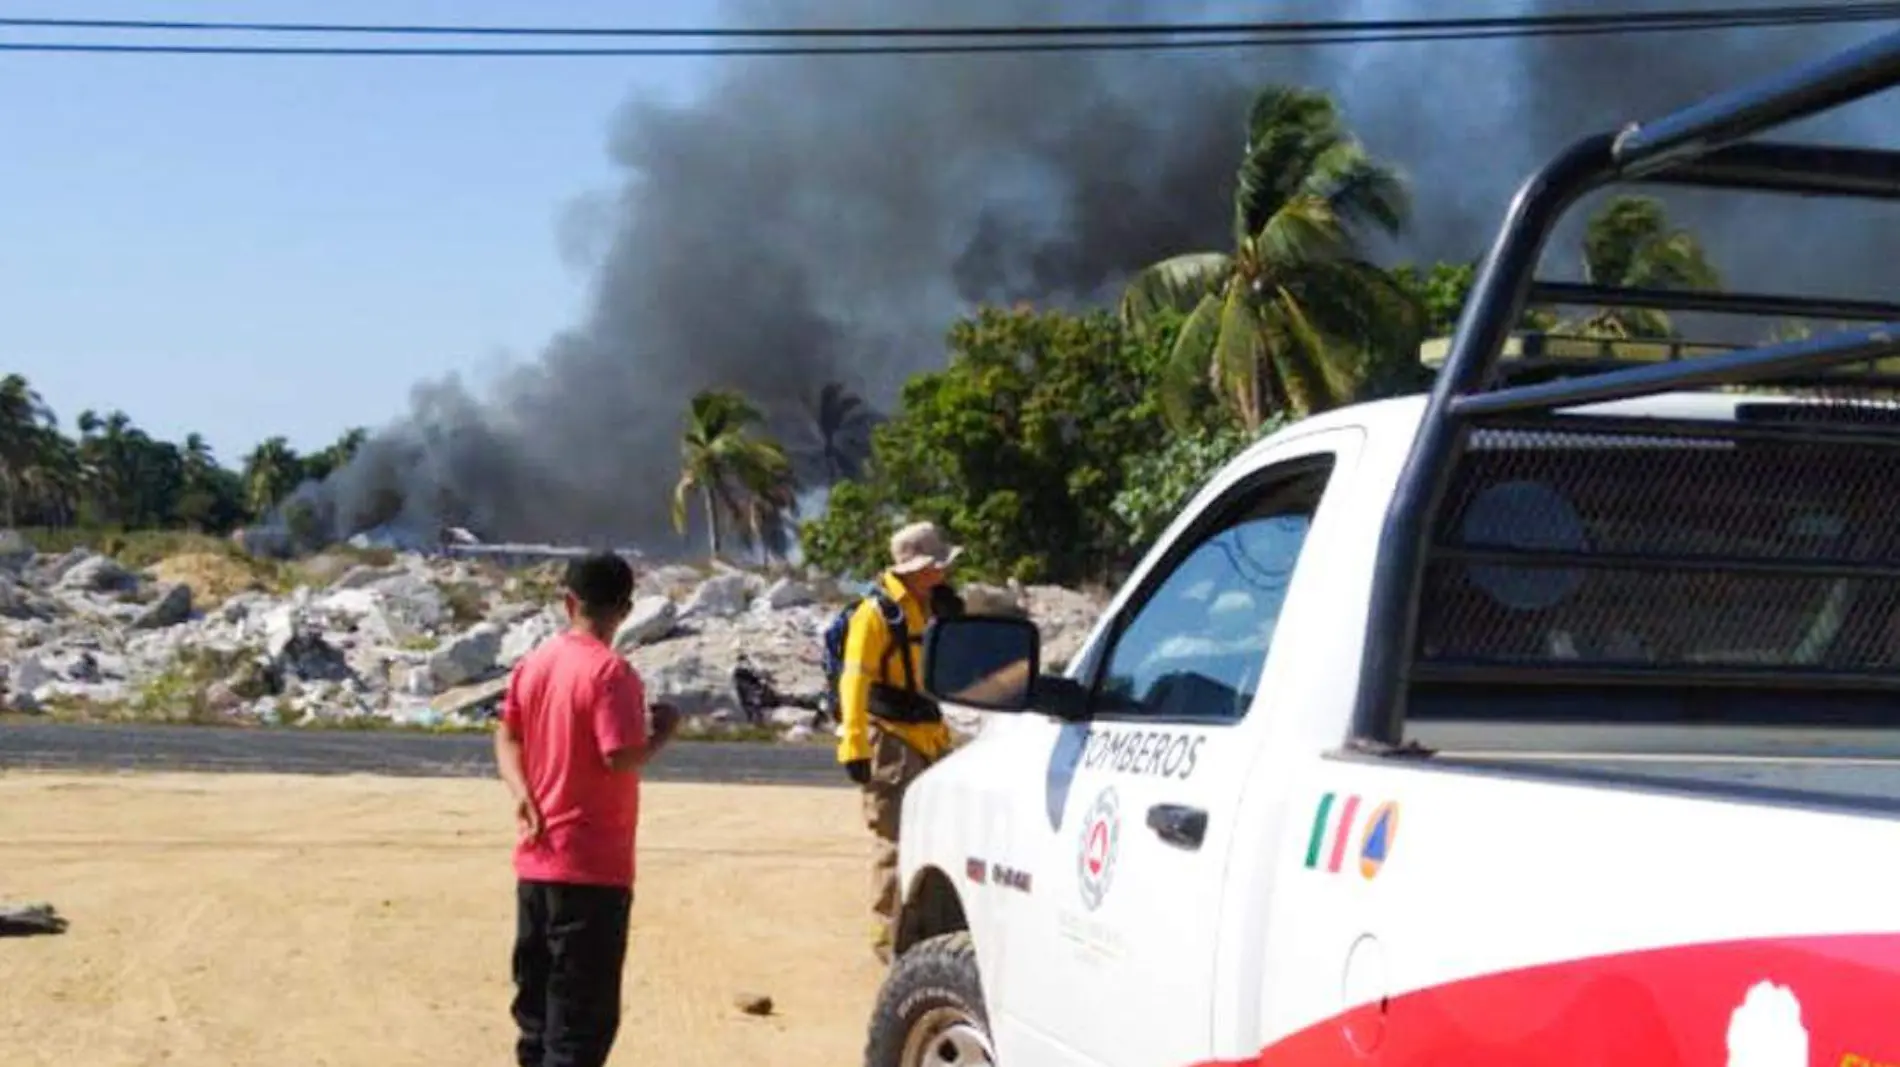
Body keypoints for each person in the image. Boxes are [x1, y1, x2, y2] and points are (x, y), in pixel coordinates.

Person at [493, 551, 681, 1067]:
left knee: (536, 1020)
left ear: (568, 602)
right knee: (578, 1025)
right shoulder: (611, 674)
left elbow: (506, 736)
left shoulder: (534, 665)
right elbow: (620, 755)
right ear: (625, 609)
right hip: (592, 869)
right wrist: (663, 731)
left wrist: (522, 792)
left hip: (536, 864)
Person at [836, 521, 963, 963]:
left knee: (939, 839)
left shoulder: (933, 607)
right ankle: (887, 946)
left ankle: (932, 936)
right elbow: (854, 678)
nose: (944, 573)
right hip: (889, 738)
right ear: (914, 568)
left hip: (930, 735)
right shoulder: (876, 614)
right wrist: (854, 744)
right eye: (936, 566)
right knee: (894, 841)